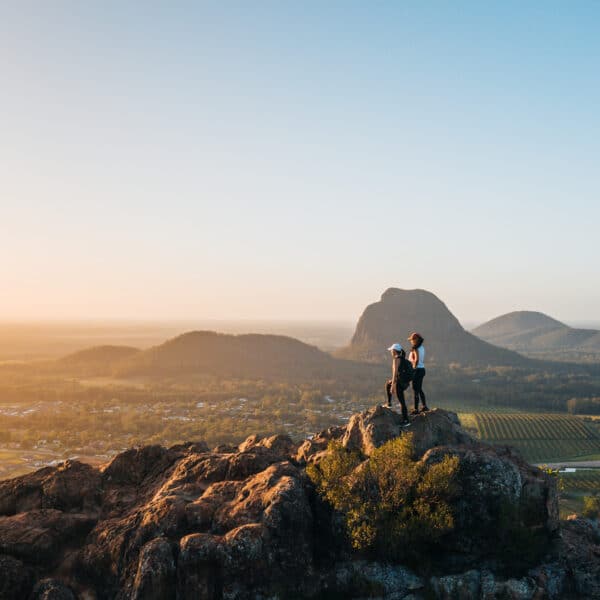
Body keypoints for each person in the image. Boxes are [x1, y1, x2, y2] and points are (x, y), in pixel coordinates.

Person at [385, 343, 410, 426]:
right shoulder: (402, 358)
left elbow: (395, 373)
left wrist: (393, 385)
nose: (391, 352)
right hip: (405, 382)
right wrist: (391, 383)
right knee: (388, 384)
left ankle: (406, 421)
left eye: (391, 350)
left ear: (394, 351)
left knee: (402, 402)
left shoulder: (396, 359)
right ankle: (389, 403)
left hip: (400, 383)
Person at [408, 332, 429, 414]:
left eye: (412, 340)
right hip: (422, 369)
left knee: (415, 389)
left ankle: (416, 409)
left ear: (416, 340)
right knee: (419, 389)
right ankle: (424, 406)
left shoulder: (415, 348)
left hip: (417, 370)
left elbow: (416, 359)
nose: (411, 341)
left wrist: (413, 368)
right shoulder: (422, 347)